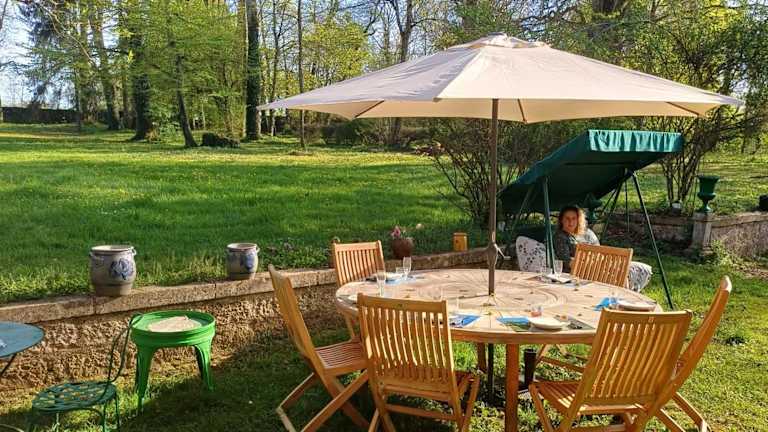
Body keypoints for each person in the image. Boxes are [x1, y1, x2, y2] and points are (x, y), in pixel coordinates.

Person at [554, 205, 599, 273]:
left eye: (574, 218)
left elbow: (599, 252)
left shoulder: (588, 233)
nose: (570, 222)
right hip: (573, 273)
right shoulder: (560, 236)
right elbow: (567, 261)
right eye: (567, 218)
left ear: (578, 220)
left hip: (594, 269)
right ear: (561, 220)